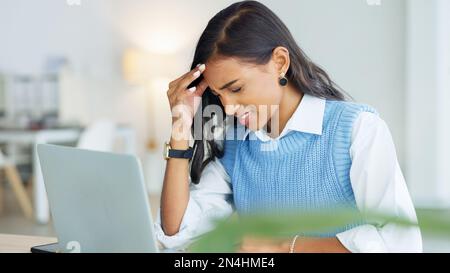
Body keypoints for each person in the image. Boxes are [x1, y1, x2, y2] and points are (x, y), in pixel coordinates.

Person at [155, 0, 422, 253]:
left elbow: (399, 241)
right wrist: (180, 126)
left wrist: (283, 247)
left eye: (236, 88)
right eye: (219, 95)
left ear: (280, 62)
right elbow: (177, 232)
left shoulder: (357, 129)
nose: (229, 107)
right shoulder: (237, 144)